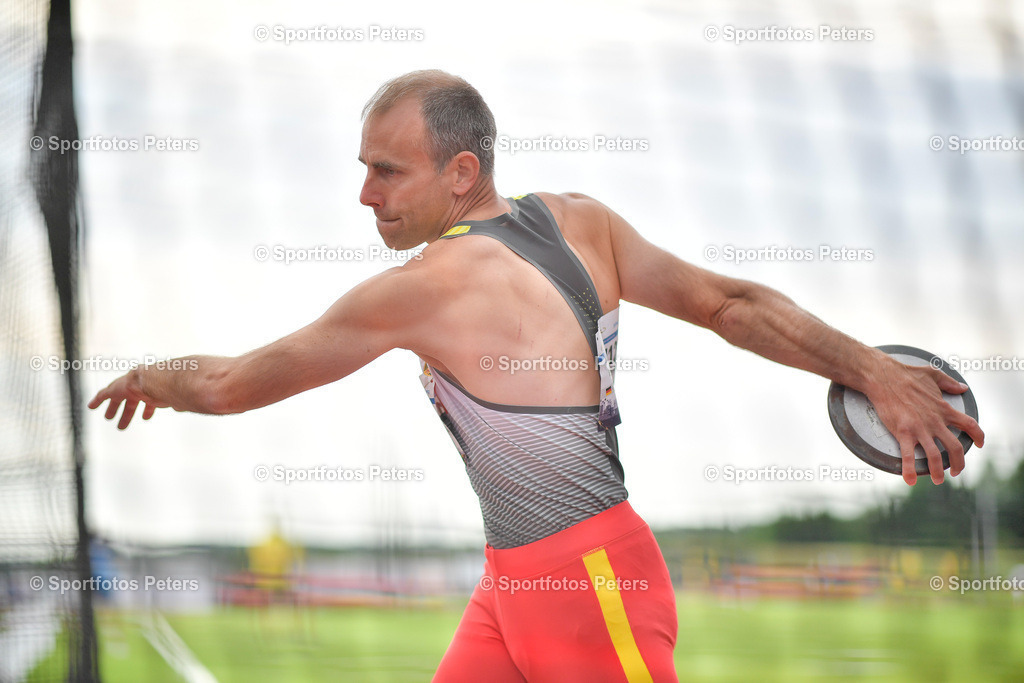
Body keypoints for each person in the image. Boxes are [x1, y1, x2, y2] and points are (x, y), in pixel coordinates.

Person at [89, 70, 985, 682]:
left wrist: (152, 374)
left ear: (461, 171)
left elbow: (235, 382)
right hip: (514, 582)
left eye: (385, 171)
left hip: (592, 578)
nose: (366, 194)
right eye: (363, 169)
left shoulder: (424, 289)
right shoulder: (581, 220)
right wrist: (874, 369)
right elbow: (731, 303)